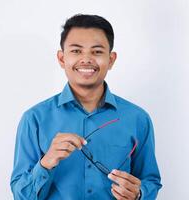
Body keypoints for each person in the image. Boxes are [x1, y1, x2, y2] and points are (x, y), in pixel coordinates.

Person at [10, 14, 162, 200]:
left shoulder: (138, 119)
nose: (86, 59)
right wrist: (46, 162)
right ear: (61, 58)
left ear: (111, 59)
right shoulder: (34, 119)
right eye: (76, 51)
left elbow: (150, 181)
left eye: (97, 52)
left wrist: (139, 194)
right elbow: (21, 196)